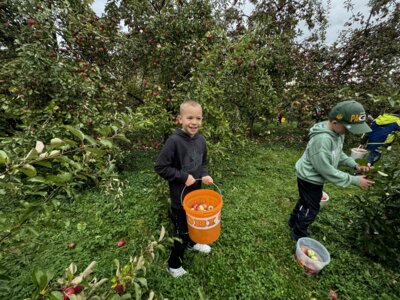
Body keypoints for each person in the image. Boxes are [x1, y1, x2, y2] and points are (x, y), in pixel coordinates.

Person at [288, 100, 375, 241]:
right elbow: (325, 169)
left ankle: (293, 221)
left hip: (313, 176)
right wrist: (354, 180)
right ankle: (299, 233)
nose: (349, 132)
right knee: (312, 207)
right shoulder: (322, 140)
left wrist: (354, 165)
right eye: (348, 128)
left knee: (305, 201)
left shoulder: (338, 134)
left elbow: (338, 153)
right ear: (335, 122)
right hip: (310, 178)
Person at [154, 100, 214, 278]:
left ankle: (193, 243)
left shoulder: (201, 140)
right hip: (180, 199)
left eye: (198, 118)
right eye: (189, 118)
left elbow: (202, 162)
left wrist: (204, 174)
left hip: (196, 195)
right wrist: (182, 176)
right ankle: (174, 264)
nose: (194, 122)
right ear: (179, 119)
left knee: (195, 223)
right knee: (181, 231)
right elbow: (160, 167)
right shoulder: (174, 142)